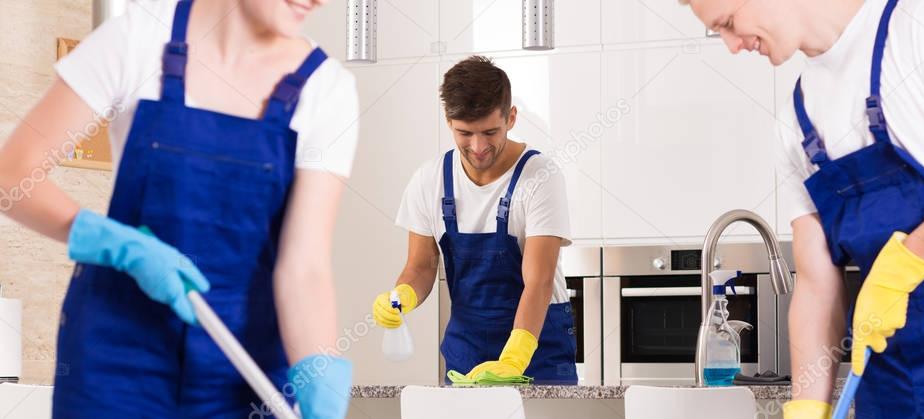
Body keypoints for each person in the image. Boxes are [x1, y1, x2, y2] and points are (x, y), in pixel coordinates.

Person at [0, 0, 360, 417]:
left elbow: (304, 266)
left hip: (244, 366)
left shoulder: (326, 89)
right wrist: (116, 244)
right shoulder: (137, 38)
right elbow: (11, 176)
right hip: (114, 358)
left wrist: (318, 372)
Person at [681, 0, 924, 417]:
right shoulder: (796, 120)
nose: (732, 46)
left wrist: (905, 266)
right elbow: (816, 283)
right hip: (890, 375)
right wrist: (807, 405)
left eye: (729, 24)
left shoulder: (922, 24)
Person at [371, 56, 578, 384]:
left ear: (511, 118)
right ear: (448, 120)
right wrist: (401, 297)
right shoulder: (430, 180)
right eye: (465, 133)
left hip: (538, 352)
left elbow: (538, 281)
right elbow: (422, 266)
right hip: (466, 352)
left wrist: (514, 359)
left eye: (489, 132)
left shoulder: (540, 177)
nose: (478, 147)